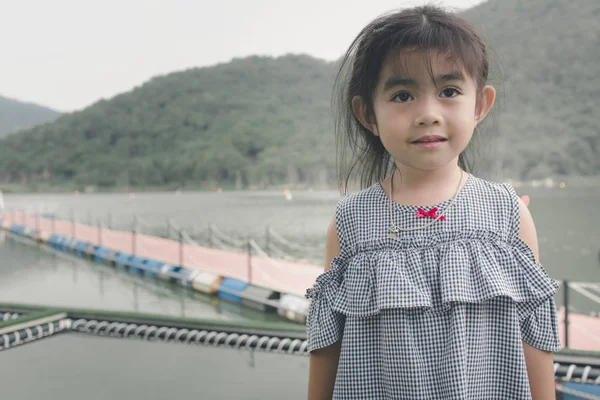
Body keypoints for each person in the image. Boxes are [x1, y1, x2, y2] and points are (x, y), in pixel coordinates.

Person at [305, 5, 560, 400]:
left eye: (449, 91)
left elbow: (536, 336)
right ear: (367, 113)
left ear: (480, 105)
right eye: (402, 95)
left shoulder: (508, 213)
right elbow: (326, 344)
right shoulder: (351, 222)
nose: (428, 114)